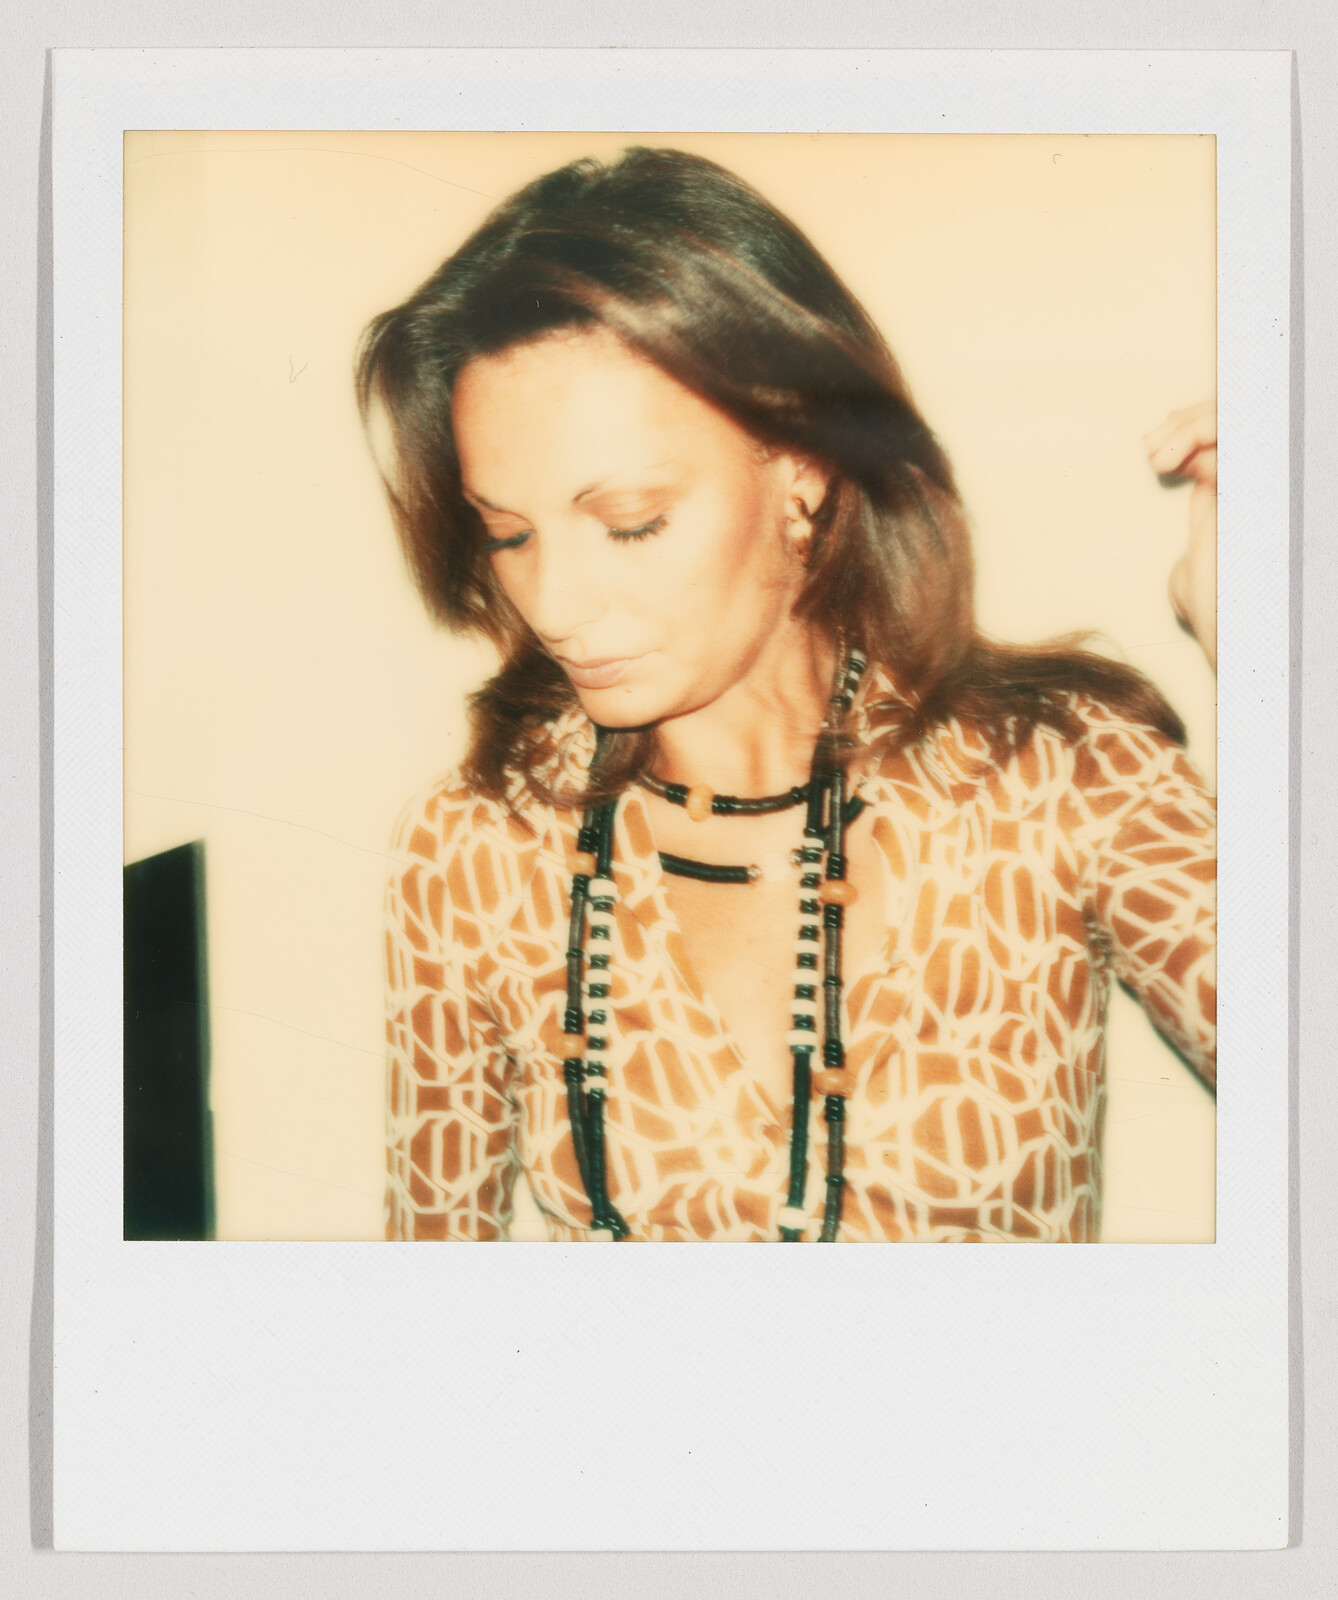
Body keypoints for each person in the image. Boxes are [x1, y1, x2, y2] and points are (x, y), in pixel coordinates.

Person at [357, 146, 1216, 1243]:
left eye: (630, 522)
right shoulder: (474, 851)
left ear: (801, 462)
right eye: (510, 535)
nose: (554, 606)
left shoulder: (1063, 778)